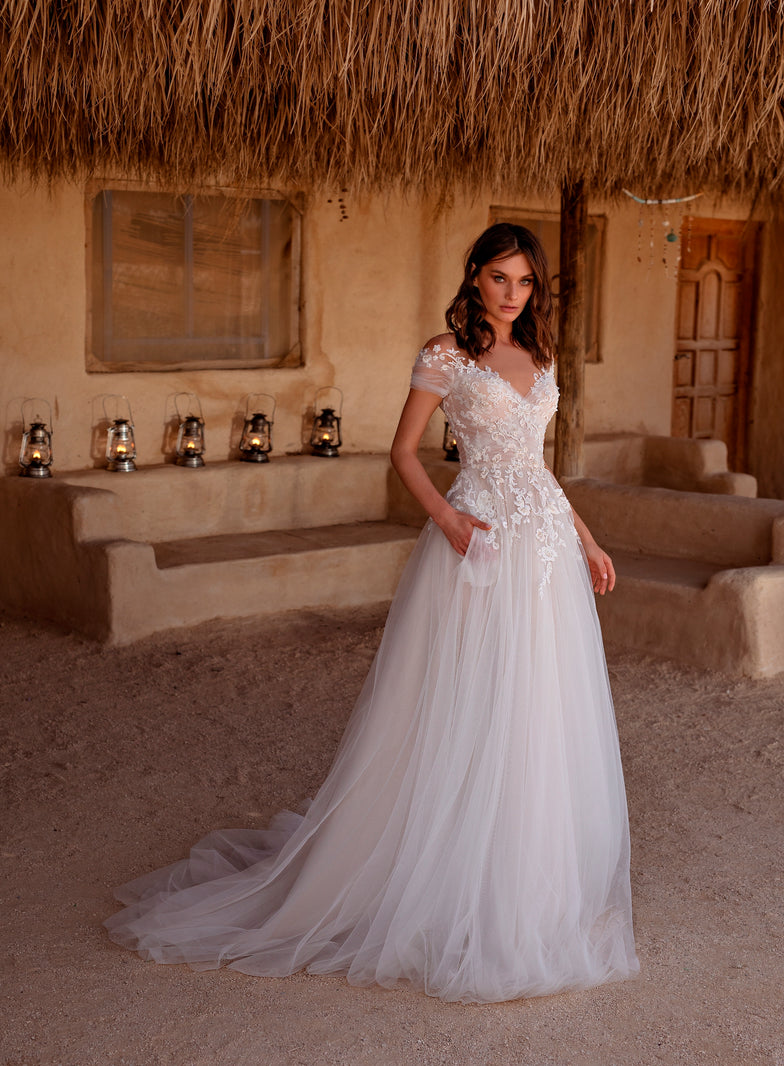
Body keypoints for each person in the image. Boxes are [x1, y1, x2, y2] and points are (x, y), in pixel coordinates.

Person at [105, 223, 639, 1003]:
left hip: (545, 549)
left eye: (524, 283)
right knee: (462, 703)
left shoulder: (542, 354)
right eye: (499, 279)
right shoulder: (446, 355)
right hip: (476, 541)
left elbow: (541, 467)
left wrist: (588, 541)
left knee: (537, 709)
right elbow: (402, 450)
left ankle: (522, 878)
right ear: (476, 278)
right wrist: (448, 521)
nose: (512, 294)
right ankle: (438, 870)